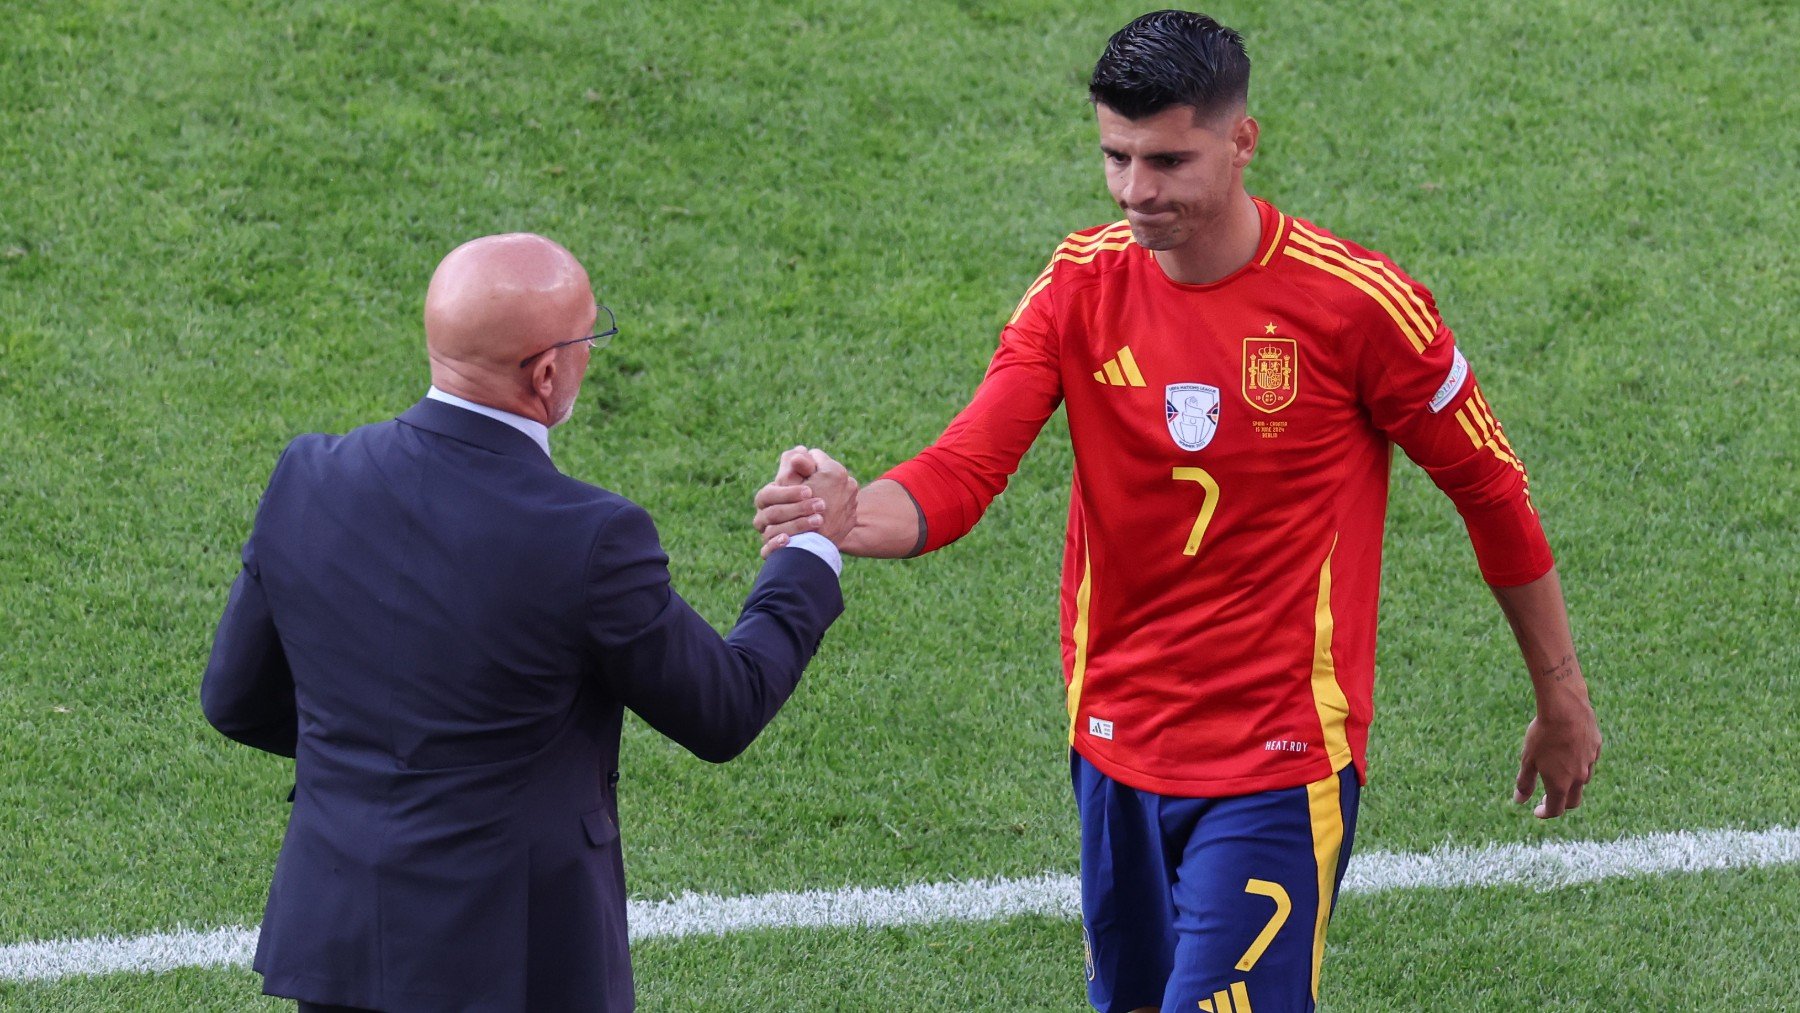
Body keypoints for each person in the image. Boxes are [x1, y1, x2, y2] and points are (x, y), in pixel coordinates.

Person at [754, 11, 1601, 1013]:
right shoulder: (1078, 285)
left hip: (1277, 761)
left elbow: (1491, 491)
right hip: (1113, 744)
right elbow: (966, 465)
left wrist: (1561, 693)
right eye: (1115, 155)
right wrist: (852, 516)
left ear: (1241, 140)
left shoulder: (1357, 306)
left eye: (1166, 159)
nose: (1133, 190)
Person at [201, 232, 855, 1013]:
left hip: (344, 941)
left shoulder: (308, 476)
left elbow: (235, 699)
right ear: (547, 372)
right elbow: (723, 708)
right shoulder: (589, 534)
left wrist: (386, 748)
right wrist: (809, 545)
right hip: (517, 964)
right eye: (589, 337)